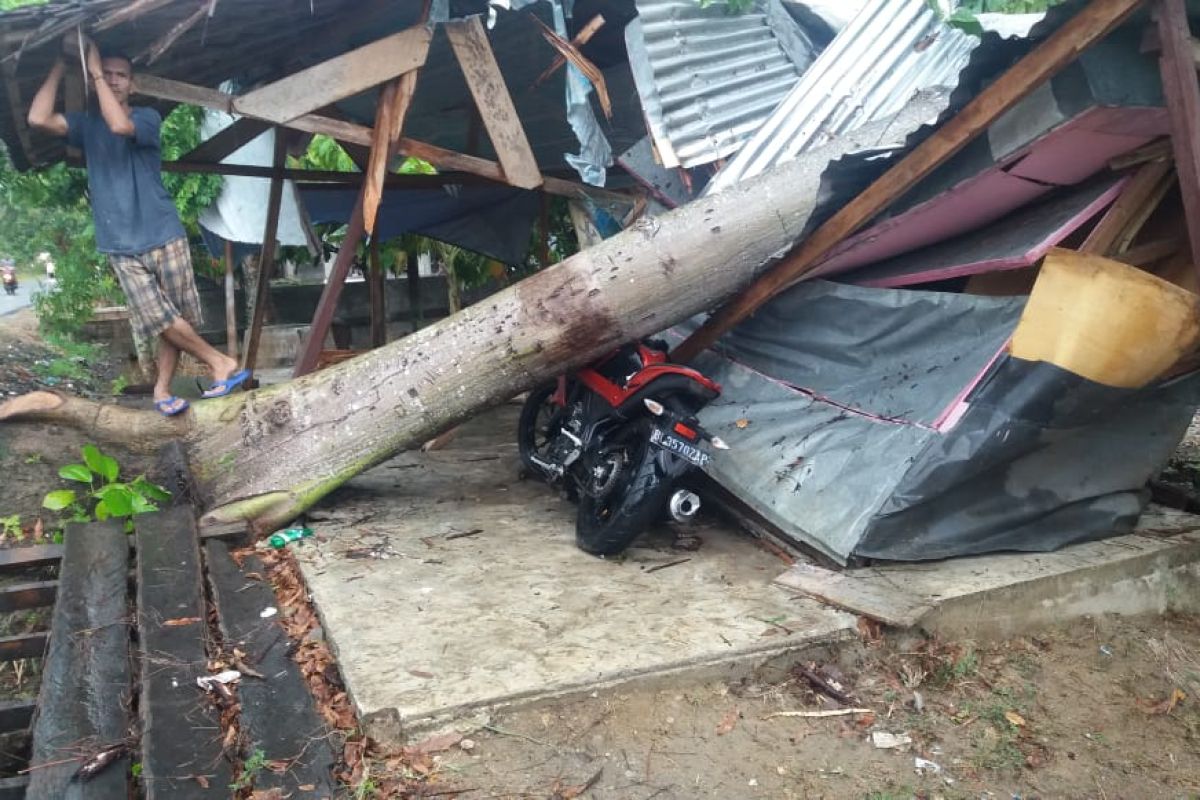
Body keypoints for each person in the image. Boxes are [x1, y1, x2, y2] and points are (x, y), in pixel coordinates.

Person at [26, 36, 249, 416]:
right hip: (118, 242)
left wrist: (94, 72)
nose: (112, 80)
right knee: (162, 319)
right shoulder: (86, 126)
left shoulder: (146, 118)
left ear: (132, 84)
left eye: (120, 76)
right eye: (106, 74)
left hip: (162, 231)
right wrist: (62, 65)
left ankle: (162, 391)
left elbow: (118, 125)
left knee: (174, 319)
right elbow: (37, 118)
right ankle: (220, 363)